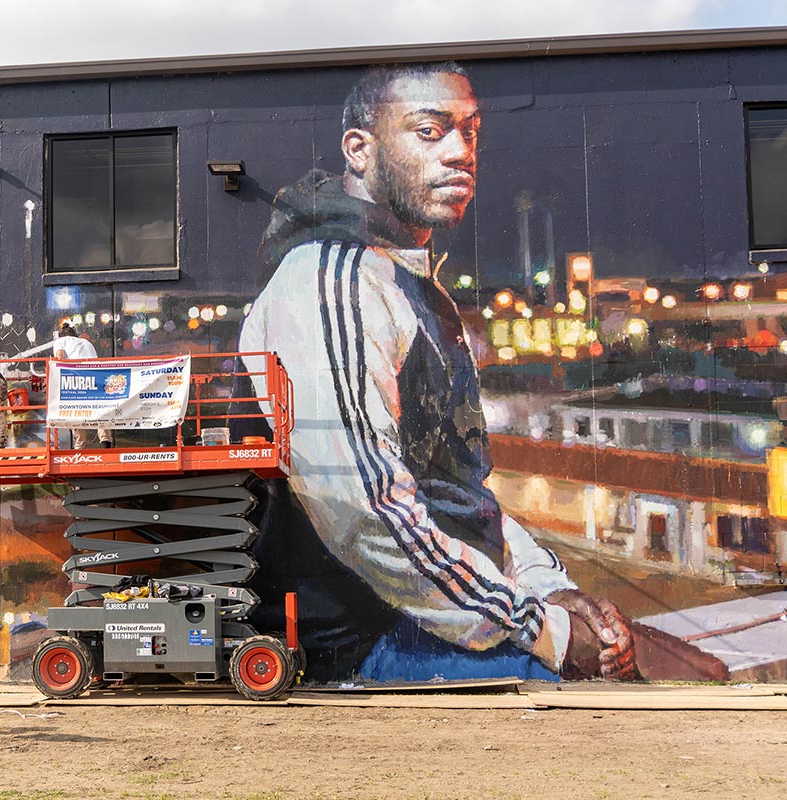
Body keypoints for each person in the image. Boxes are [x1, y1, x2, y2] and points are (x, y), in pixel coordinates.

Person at [238, 63, 726, 683]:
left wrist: (551, 589)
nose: (460, 152)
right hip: (358, 639)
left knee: (695, 670)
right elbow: (365, 510)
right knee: (650, 691)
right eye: (429, 130)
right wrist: (541, 627)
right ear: (359, 150)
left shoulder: (409, 282)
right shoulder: (327, 280)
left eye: (470, 132)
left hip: (430, 614)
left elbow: (460, 494)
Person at [51, 324, 114, 449]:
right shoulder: (86, 342)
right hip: (97, 377)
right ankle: (106, 440)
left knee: (76, 409)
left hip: (78, 378)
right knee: (100, 408)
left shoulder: (60, 341)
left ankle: (80, 445)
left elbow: (60, 356)